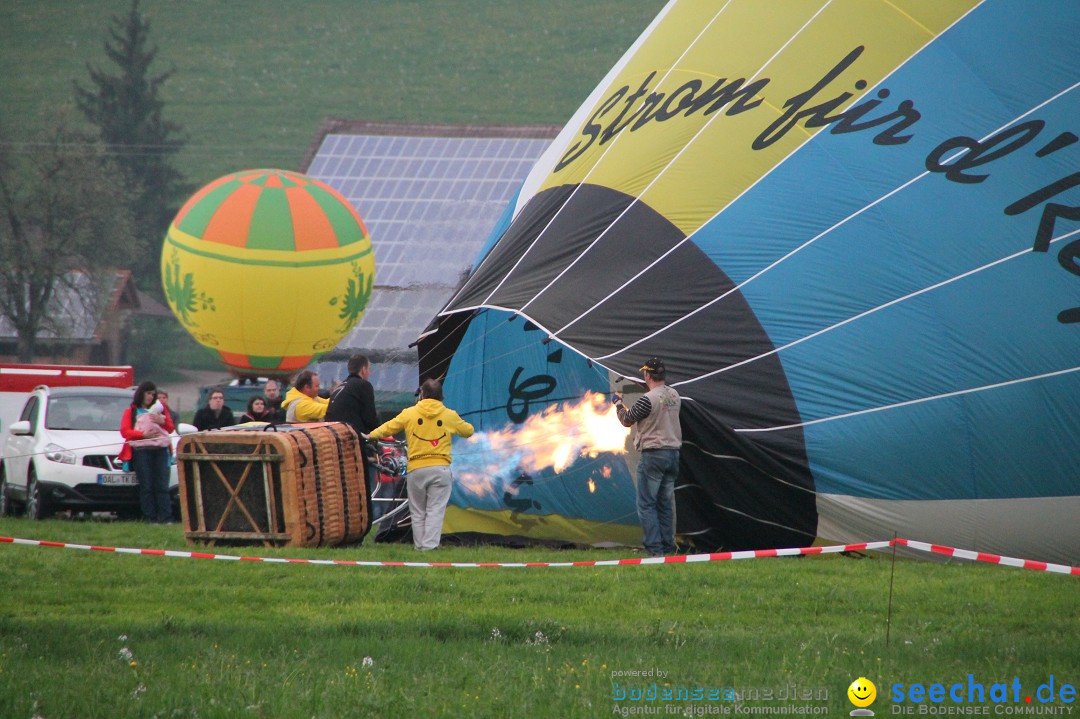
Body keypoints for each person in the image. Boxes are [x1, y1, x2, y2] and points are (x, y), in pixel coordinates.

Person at [368, 378, 473, 550]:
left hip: (416, 469)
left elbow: (388, 427)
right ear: (441, 396)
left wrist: (370, 435)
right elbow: (468, 431)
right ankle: (430, 546)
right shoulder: (449, 415)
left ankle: (420, 546)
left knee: (417, 511)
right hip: (440, 469)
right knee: (435, 509)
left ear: (422, 394)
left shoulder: (409, 413)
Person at [613, 357, 682, 557]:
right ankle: (668, 549)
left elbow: (626, 419)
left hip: (654, 455)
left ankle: (654, 550)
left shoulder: (647, 399)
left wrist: (618, 403)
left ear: (647, 375)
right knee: (665, 504)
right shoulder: (674, 395)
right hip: (673, 455)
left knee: (646, 504)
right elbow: (659, 402)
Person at [326, 354, 380, 513]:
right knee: (360, 488)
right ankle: (362, 518)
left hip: (335, 442)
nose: (369, 373)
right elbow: (370, 418)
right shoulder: (363, 386)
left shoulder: (340, 388)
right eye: (369, 369)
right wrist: (380, 436)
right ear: (363, 370)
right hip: (353, 444)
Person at [119, 381, 175, 523]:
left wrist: (161, 421)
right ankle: (150, 518)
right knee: (147, 486)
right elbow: (125, 432)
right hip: (142, 451)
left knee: (162, 485)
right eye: (148, 393)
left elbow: (170, 428)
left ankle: (167, 518)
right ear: (141, 394)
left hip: (161, 451)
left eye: (153, 394)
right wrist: (142, 435)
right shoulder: (131, 412)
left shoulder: (161, 410)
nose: (151, 396)